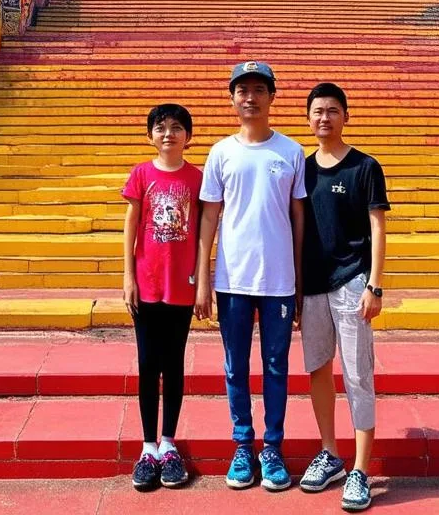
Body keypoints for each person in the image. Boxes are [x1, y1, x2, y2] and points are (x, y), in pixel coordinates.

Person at [195, 61, 306, 492]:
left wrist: (298, 280)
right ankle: (243, 446)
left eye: (259, 89)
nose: (250, 97)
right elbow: (209, 218)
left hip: (278, 280)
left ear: (272, 97)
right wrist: (203, 278)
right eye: (242, 90)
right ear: (232, 98)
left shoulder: (291, 152)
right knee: (234, 367)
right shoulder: (221, 152)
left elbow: (298, 219)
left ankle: (273, 448)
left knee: (277, 366)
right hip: (232, 280)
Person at [297, 83, 390, 513]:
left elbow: (377, 228)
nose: (324, 118)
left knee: (357, 376)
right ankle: (331, 453)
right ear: (308, 117)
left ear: (346, 116)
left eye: (333, 110)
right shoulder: (301, 167)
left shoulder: (365, 167)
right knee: (317, 369)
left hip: (352, 282)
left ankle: (360, 469)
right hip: (312, 285)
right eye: (317, 111)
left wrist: (375, 284)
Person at [122, 103, 203, 491]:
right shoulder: (142, 174)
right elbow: (132, 225)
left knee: (173, 363)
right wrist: (127, 276)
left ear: (188, 136)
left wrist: (203, 279)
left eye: (175, 127)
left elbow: (205, 233)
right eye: (160, 127)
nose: (167, 133)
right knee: (147, 363)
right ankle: (147, 447)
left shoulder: (197, 178)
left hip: (181, 284)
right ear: (150, 135)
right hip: (147, 281)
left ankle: (169, 443)